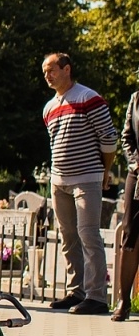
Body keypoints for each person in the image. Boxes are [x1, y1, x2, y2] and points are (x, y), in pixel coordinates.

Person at [43, 53, 120, 315]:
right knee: (68, 238)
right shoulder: (49, 107)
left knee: (88, 234)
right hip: (59, 180)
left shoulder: (89, 98)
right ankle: (76, 290)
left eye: (52, 70)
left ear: (67, 69)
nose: (48, 76)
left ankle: (97, 296)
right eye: (45, 72)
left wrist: (105, 171)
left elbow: (109, 139)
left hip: (86, 177)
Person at [115, 86, 139, 321]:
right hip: (138, 173)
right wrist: (135, 162)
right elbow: (127, 137)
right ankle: (124, 300)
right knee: (130, 234)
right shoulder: (136, 99)